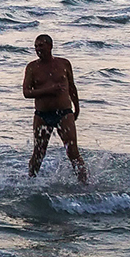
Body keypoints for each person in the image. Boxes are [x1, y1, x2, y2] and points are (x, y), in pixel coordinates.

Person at [23, 33, 89, 184]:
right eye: (36, 46)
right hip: (42, 114)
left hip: (64, 112)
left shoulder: (64, 64)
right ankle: (30, 181)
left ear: (50, 46)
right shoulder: (32, 67)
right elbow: (26, 92)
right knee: (39, 152)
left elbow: (72, 86)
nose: (38, 49)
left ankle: (85, 183)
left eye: (41, 45)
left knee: (72, 151)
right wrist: (49, 90)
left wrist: (77, 107)